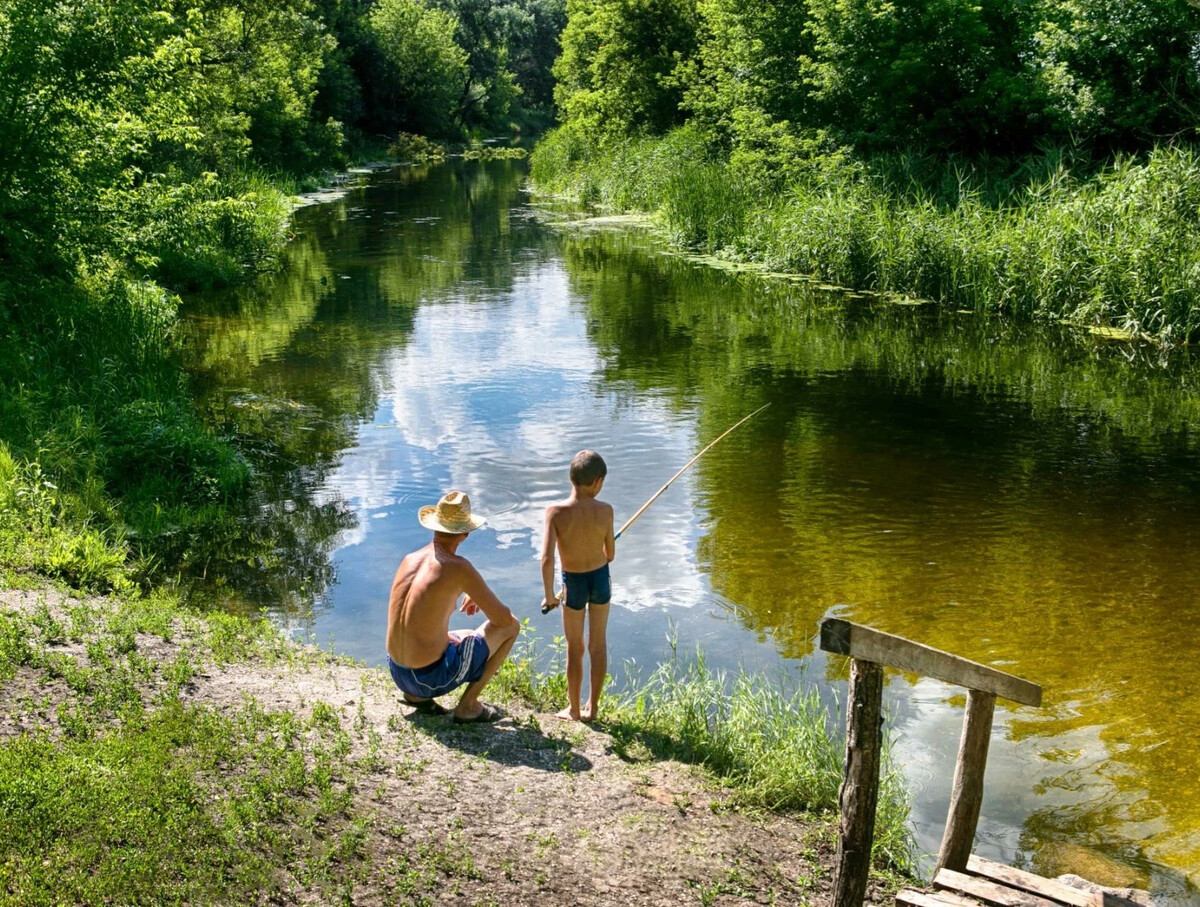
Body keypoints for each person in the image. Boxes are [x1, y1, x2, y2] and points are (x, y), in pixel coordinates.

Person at [386, 491, 519, 723]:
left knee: (466, 635)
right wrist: (473, 589)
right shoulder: (458, 568)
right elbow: (503, 620)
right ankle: (468, 706)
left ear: (434, 526)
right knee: (512, 626)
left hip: (398, 672)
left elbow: (419, 617)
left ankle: (416, 698)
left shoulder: (410, 559)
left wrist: (471, 590)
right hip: (427, 678)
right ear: (465, 533)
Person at [540, 450, 615, 722]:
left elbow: (547, 559)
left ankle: (573, 710)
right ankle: (592, 708)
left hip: (572, 583)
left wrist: (550, 595)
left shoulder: (555, 513)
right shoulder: (606, 510)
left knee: (575, 647)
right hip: (600, 579)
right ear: (597, 481)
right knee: (598, 645)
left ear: (571, 479)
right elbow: (611, 554)